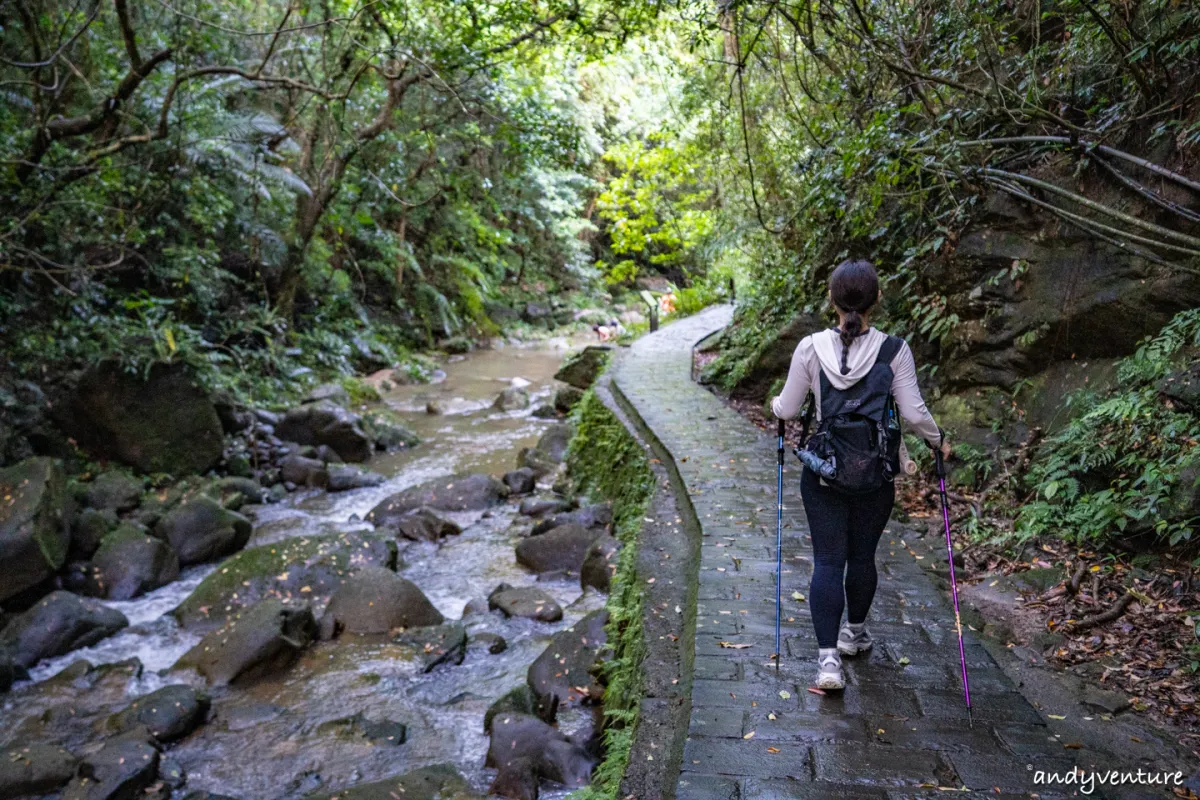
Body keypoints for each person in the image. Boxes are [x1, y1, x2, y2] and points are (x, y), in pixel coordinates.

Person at [770, 259, 950, 690]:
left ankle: (828, 663)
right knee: (862, 557)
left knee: (828, 560)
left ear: (831, 300)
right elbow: (912, 412)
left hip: (823, 473)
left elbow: (789, 409)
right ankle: (854, 634)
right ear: (877, 300)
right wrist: (937, 438)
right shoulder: (895, 351)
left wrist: (776, 407)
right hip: (875, 472)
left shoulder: (810, 347)